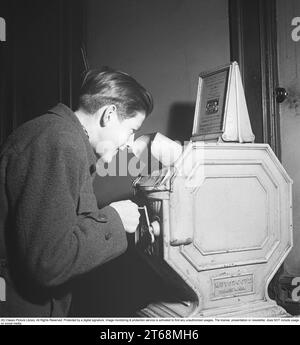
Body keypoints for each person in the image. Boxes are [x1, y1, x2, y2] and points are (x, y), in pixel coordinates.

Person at [0, 67, 153, 316]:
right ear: (109, 114)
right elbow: (48, 263)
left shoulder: (61, 136)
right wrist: (114, 219)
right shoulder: (59, 141)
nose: (128, 143)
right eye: (131, 130)